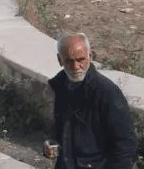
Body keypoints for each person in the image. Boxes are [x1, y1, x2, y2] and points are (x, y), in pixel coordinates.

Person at [46, 33, 137, 169]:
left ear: (90, 57)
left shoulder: (107, 92)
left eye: (81, 60)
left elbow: (126, 145)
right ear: (60, 60)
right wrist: (51, 143)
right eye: (69, 61)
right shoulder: (60, 86)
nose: (76, 66)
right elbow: (62, 128)